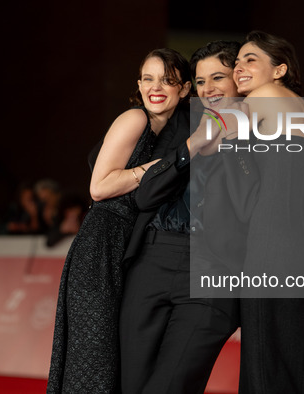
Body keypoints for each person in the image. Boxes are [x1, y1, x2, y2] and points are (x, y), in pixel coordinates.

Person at [46, 48, 192, 393]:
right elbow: (99, 188)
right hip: (101, 246)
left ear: (184, 89)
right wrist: (163, 166)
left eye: (167, 80)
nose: (156, 87)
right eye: (148, 79)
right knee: (92, 354)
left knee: (113, 357)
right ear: (138, 85)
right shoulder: (135, 119)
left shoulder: (170, 130)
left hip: (129, 248)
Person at [119, 41, 248, 394]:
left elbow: (250, 204)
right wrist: (193, 145)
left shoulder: (263, 132)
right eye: (202, 81)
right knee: (132, 384)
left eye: (218, 77)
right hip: (152, 259)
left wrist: (234, 140)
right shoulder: (179, 125)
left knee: (171, 384)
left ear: (239, 79)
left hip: (215, 268)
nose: (209, 89)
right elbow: (146, 195)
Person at [232, 31, 304, 393]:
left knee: (267, 364)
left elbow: (214, 140)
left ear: (279, 70)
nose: (238, 68)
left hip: (271, 250)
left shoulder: (261, 98)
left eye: (251, 59)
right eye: (237, 61)